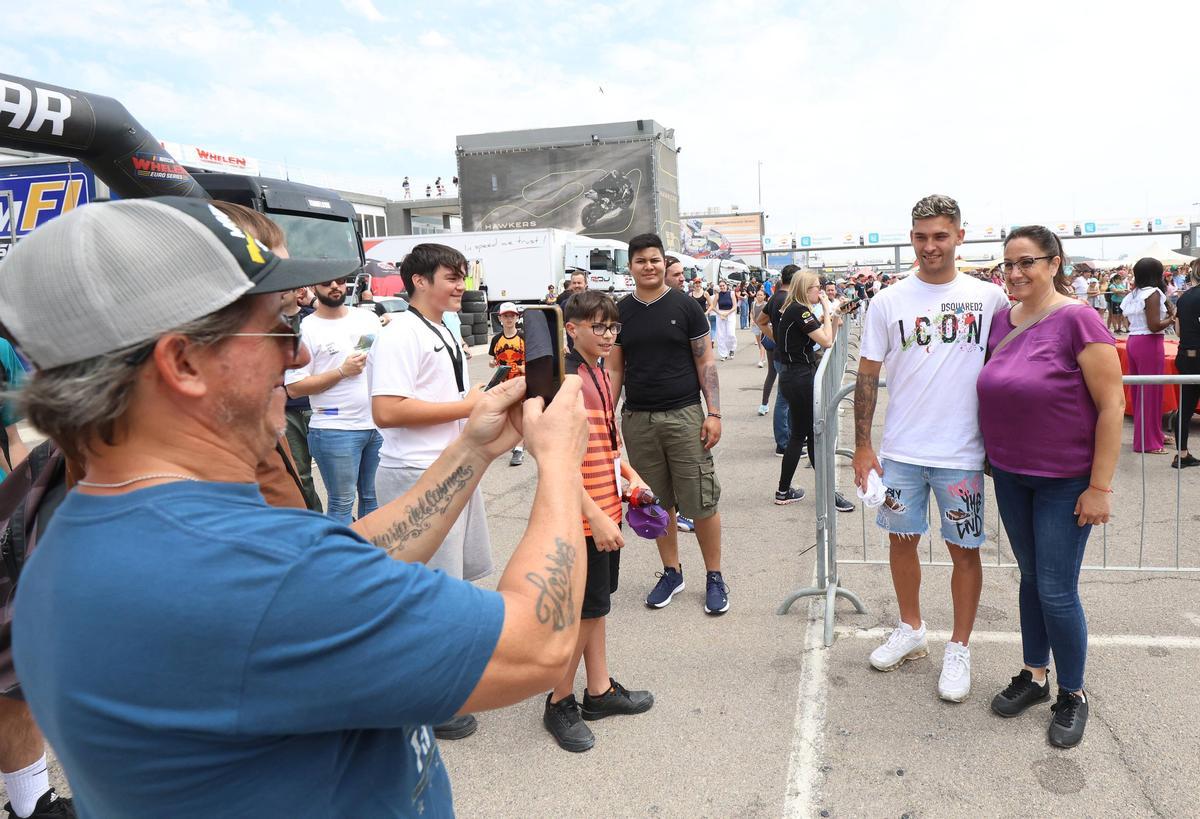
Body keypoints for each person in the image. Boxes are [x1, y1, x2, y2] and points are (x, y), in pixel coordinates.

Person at [0, 196, 592, 817]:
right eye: (281, 326)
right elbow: (538, 647)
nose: (301, 355)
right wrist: (557, 464)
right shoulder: (256, 569)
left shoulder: (81, 529)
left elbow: (345, 566)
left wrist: (471, 451)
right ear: (183, 362)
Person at [852, 194, 1009, 702]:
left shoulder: (989, 299)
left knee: (965, 550)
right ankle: (912, 628)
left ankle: (958, 647)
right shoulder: (888, 300)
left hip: (962, 452)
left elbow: (1013, 367)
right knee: (902, 542)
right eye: (920, 237)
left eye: (940, 235)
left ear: (960, 235)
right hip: (902, 450)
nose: (929, 246)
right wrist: (862, 446)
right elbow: (868, 375)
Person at [978, 225, 1123, 748]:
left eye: (1027, 263)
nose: (1014, 273)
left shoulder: (1079, 320)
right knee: (1030, 579)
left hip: (1066, 481)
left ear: (1054, 263)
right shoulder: (1001, 321)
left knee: (1057, 590)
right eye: (1008, 264)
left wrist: (1099, 487)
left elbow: (1112, 407)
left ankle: (1074, 693)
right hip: (1012, 475)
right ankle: (1035, 675)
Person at [544, 290, 655, 752]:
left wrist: (631, 477)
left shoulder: (600, 373)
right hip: (582, 518)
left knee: (597, 607)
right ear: (571, 329)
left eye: (613, 327)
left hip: (606, 510)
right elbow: (556, 462)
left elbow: (607, 447)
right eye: (598, 326)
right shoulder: (567, 379)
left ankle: (600, 690)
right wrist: (595, 517)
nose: (608, 334)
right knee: (583, 612)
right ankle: (558, 701)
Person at [606, 233, 729, 615]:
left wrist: (714, 413)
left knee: (701, 499)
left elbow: (705, 362)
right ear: (630, 267)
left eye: (655, 260)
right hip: (638, 419)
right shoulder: (620, 312)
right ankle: (671, 572)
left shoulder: (687, 306)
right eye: (641, 260)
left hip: (684, 416)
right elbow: (614, 368)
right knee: (657, 503)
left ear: (664, 263)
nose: (649, 266)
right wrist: (606, 417)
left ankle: (714, 576)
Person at [284, 275, 383, 525]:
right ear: (313, 286)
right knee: (341, 503)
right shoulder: (304, 329)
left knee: (373, 499)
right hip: (334, 428)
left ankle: (372, 559)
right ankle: (345, 562)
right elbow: (295, 388)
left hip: (376, 425)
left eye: (340, 281)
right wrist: (341, 371)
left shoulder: (367, 319)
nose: (335, 287)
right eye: (327, 282)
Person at [770, 270, 835, 506]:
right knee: (805, 434)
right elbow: (827, 341)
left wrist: (833, 317)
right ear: (805, 289)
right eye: (817, 287)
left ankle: (785, 490)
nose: (821, 290)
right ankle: (824, 491)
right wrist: (828, 310)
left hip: (796, 375)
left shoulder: (798, 309)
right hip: (798, 376)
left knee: (804, 433)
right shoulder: (800, 310)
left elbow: (827, 338)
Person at [1121, 257, 1176, 454]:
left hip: (1134, 341)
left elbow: (1131, 323)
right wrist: (1171, 318)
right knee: (1151, 393)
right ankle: (1148, 442)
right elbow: (1154, 326)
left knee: (1142, 393)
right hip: (1149, 343)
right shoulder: (1153, 293)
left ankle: (1153, 434)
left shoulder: (1133, 294)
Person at [756, 265, 797, 454]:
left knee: (786, 398)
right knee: (784, 399)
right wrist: (778, 338)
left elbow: (761, 321)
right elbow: (761, 322)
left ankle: (788, 439)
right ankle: (783, 442)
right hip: (787, 356)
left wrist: (776, 337)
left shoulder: (774, 298)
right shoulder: (787, 299)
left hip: (783, 354)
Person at [487, 302, 526, 467]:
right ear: (500, 318)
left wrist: (523, 367)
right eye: (505, 316)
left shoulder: (524, 337)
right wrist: (492, 363)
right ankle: (511, 442)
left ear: (517, 317)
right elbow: (493, 359)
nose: (509, 319)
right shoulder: (496, 339)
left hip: (521, 381)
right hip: (503, 383)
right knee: (507, 414)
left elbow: (534, 359)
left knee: (521, 414)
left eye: (512, 315)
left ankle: (519, 448)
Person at [1172, 261, 1200, 468]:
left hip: (1186, 355)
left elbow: (1179, 331)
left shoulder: (1184, 297)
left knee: (1185, 408)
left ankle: (1181, 453)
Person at [713, 280, 738, 361]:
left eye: (723, 285)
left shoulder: (731, 293)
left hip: (730, 314)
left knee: (731, 334)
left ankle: (732, 348)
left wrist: (727, 313)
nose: (722, 287)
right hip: (720, 314)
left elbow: (735, 306)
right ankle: (723, 354)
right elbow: (713, 306)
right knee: (721, 335)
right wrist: (719, 313)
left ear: (726, 286)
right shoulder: (717, 295)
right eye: (720, 286)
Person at [751, 288, 768, 370]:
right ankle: (763, 356)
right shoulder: (753, 304)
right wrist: (752, 320)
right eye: (758, 295)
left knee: (762, 342)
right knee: (758, 342)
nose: (759, 296)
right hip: (755, 325)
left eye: (761, 295)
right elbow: (751, 312)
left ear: (764, 296)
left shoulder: (766, 304)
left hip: (763, 325)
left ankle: (761, 359)